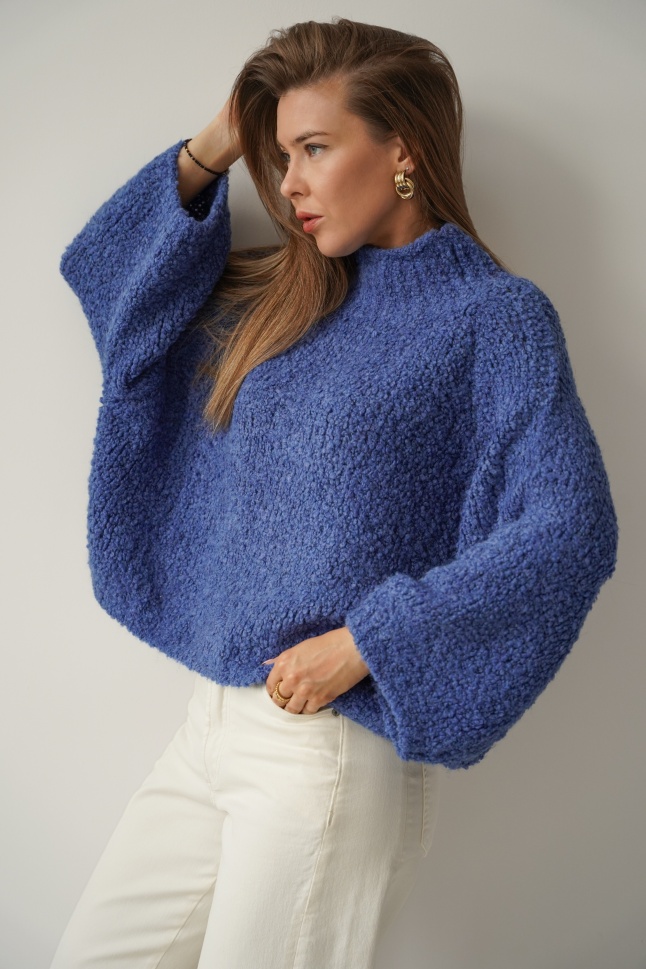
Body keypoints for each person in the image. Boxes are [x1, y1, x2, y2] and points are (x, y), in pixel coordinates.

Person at [49, 17, 618, 969]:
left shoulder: (492, 318)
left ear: (403, 149)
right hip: (208, 726)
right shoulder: (286, 293)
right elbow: (116, 293)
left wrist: (368, 641)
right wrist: (217, 143)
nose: (290, 183)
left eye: (315, 147)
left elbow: (571, 527)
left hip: (322, 750)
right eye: (281, 155)